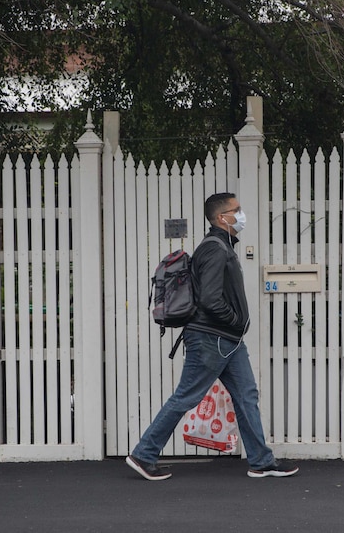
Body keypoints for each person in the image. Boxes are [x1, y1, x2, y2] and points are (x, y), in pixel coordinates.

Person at [126, 192, 299, 481]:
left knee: (246, 396)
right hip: (212, 338)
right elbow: (209, 299)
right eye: (237, 210)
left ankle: (261, 461)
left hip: (226, 341)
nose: (241, 215)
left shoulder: (221, 246)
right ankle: (144, 455)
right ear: (222, 218)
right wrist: (234, 322)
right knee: (186, 397)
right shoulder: (215, 248)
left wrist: (235, 329)